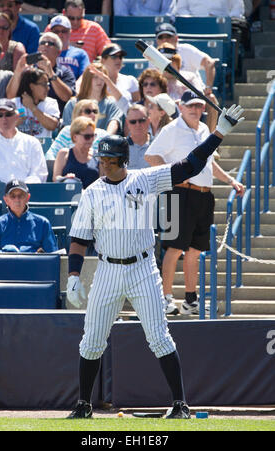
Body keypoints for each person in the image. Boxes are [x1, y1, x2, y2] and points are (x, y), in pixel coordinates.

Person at [65, 103, 244, 419]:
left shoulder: (143, 179)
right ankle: (83, 405)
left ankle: (179, 404)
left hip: (142, 268)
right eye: (101, 159)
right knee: (91, 340)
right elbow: (79, 239)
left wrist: (219, 133)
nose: (103, 165)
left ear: (122, 161)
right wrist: (74, 275)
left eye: (109, 160)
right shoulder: (92, 192)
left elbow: (188, 166)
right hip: (107, 268)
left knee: (159, 337)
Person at [144, 91, 245, 315]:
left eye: (199, 106)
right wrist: (174, 173)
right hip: (178, 193)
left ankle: (190, 299)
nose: (195, 109)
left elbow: (209, 163)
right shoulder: (171, 129)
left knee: (195, 250)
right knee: (174, 247)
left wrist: (230, 180)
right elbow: (151, 156)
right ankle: (165, 298)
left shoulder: (203, 129)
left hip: (203, 195)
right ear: (181, 107)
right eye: (191, 106)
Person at [0, 98, 48, 183]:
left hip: (23, 193)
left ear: (16, 116)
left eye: (8, 114)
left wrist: (20, 188)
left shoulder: (32, 143)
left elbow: (39, 174)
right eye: (0, 115)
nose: (4, 118)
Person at [7, 32, 76, 116]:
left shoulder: (65, 72)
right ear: (38, 48)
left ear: (58, 52)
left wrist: (50, 73)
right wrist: (18, 72)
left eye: (51, 44)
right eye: (42, 43)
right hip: (26, 119)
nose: (45, 45)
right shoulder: (28, 70)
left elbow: (66, 97)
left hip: (54, 117)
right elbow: (10, 96)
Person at [0, 179, 58, 254]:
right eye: (12, 196)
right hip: (7, 265)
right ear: (6, 200)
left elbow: (52, 255)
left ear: (27, 198)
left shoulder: (42, 223)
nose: (17, 199)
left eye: (21, 195)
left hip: (34, 265)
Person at [155, 23, 216, 107]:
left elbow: (209, 63)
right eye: (161, 37)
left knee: (210, 99)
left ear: (176, 38)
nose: (165, 40)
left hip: (192, 96)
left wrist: (208, 88)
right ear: (156, 40)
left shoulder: (186, 51)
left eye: (168, 36)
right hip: (166, 99)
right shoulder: (154, 56)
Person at [62, 63, 124, 135]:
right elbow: (68, 129)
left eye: (102, 77)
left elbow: (114, 124)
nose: (99, 81)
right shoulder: (72, 104)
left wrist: (102, 141)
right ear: (87, 79)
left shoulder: (112, 103)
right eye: (95, 77)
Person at [44, 0, 111, 63]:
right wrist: (67, 47)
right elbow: (44, 53)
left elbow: (109, 53)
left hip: (87, 72)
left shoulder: (94, 29)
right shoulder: (53, 29)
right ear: (64, 13)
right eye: (71, 18)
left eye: (79, 18)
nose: (75, 22)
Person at [52, 116, 100, 188]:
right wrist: (64, 178)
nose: (91, 139)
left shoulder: (98, 156)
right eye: (87, 136)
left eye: (93, 136)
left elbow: (102, 180)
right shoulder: (64, 154)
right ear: (75, 137)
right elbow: (55, 178)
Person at [13, 67, 60, 138]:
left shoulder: (51, 103)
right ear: (31, 86)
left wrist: (32, 107)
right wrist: (14, 123)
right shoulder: (14, 103)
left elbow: (53, 126)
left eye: (48, 84)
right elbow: (2, 129)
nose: (48, 88)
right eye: (44, 84)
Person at [49, 15, 90, 80]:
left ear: (70, 32)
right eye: (56, 31)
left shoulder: (80, 54)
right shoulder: (45, 53)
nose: (60, 34)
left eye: (64, 31)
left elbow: (84, 77)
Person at [125, 104, 151, 170]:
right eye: (133, 122)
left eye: (142, 120)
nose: (138, 125)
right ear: (127, 123)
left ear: (148, 121)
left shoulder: (158, 144)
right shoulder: (119, 147)